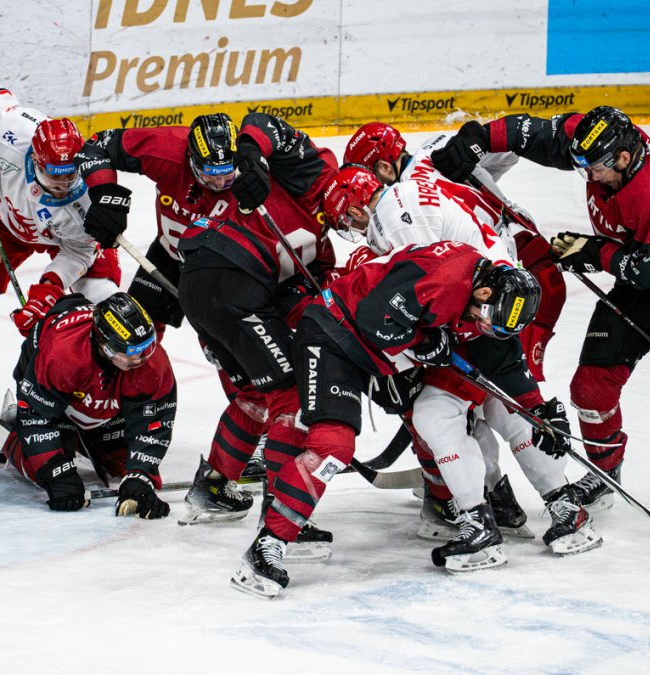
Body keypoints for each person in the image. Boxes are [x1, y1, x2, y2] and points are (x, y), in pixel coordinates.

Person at [430, 106, 650, 559]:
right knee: (589, 390)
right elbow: (534, 132)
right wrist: (478, 138)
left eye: (597, 169)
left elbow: (647, 271)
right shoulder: (596, 138)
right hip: (638, 281)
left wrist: (592, 251)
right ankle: (606, 478)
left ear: (624, 159)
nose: (589, 175)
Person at [232, 242, 551, 596]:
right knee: (332, 445)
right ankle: (268, 543)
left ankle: (448, 507)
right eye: (487, 317)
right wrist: (425, 340)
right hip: (333, 336)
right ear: (485, 291)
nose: (483, 325)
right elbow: (375, 319)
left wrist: (537, 409)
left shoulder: (482, 286)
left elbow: (502, 355)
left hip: (375, 350)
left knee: (429, 417)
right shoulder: (447, 282)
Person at [77, 113, 338, 530]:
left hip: (225, 270)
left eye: (227, 174)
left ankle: (218, 477)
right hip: (171, 259)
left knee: (250, 387)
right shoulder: (167, 149)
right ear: (191, 161)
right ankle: (84, 410)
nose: (221, 183)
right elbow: (95, 145)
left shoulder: (263, 192)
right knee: (130, 341)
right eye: (209, 175)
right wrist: (104, 191)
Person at [321, 165, 596, 553]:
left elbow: (424, 289)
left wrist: (420, 345)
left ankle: (489, 510)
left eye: (344, 218)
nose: (349, 226)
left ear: (354, 210)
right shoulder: (409, 201)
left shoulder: (396, 222)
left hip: (481, 313)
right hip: (490, 306)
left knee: (453, 412)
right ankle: (544, 502)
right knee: (496, 406)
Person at [343, 121, 564, 383]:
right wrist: (475, 146)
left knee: (504, 392)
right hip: (531, 260)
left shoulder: (400, 204)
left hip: (504, 287)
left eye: (370, 176)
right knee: (504, 390)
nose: (369, 186)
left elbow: (423, 278)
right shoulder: (438, 146)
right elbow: (510, 151)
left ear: (382, 167)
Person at [0, 83, 121, 340]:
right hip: (2, 222)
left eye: (70, 175)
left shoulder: (92, 198)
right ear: (36, 159)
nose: (63, 185)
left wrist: (50, 287)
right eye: (54, 176)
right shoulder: (11, 133)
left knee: (102, 297)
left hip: (66, 239)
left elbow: (79, 253)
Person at [1, 292, 175, 519]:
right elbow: (37, 415)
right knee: (44, 470)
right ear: (105, 345)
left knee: (121, 463)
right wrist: (54, 472)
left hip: (96, 391)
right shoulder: (62, 355)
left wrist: (140, 476)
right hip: (47, 386)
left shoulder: (152, 363)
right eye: (132, 354)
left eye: (148, 347)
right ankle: (12, 435)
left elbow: (155, 423)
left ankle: (82, 436)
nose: (142, 359)